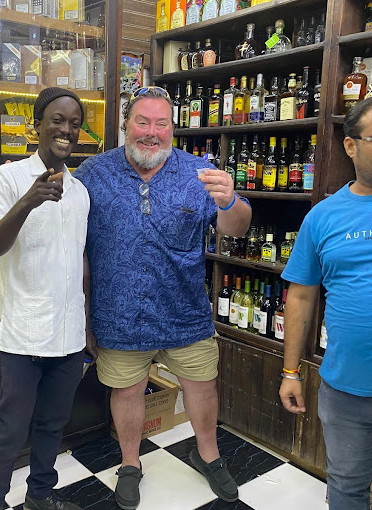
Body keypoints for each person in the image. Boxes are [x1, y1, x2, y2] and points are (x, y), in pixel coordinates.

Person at [72, 86, 252, 509]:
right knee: (127, 391)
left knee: (202, 386)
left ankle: (207, 453)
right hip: (118, 313)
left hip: (185, 312)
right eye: (142, 122)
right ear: (125, 125)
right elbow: (57, 217)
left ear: (173, 128)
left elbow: (238, 227)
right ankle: (130, 464)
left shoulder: (200, 173)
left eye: (161, 124)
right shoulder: (92, 174)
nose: (151, 133)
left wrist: (230, 201)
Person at [279, 94, 372, 510]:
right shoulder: (324, 216)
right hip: (345, 389)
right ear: (351, 145)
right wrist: (290, 371)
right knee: (345, 488)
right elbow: (301, 296)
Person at [0, 88, 93, 510]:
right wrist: (27, 202)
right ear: (37, 126)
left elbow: (79, 258)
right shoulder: (9, 178)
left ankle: (39, 498)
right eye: (58, 120)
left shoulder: (80, 192)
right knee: (10, 429)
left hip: (67, 334)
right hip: (22, 334)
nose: (66, 130)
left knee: (52, 425)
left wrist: (87, 321)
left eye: (74, 123)